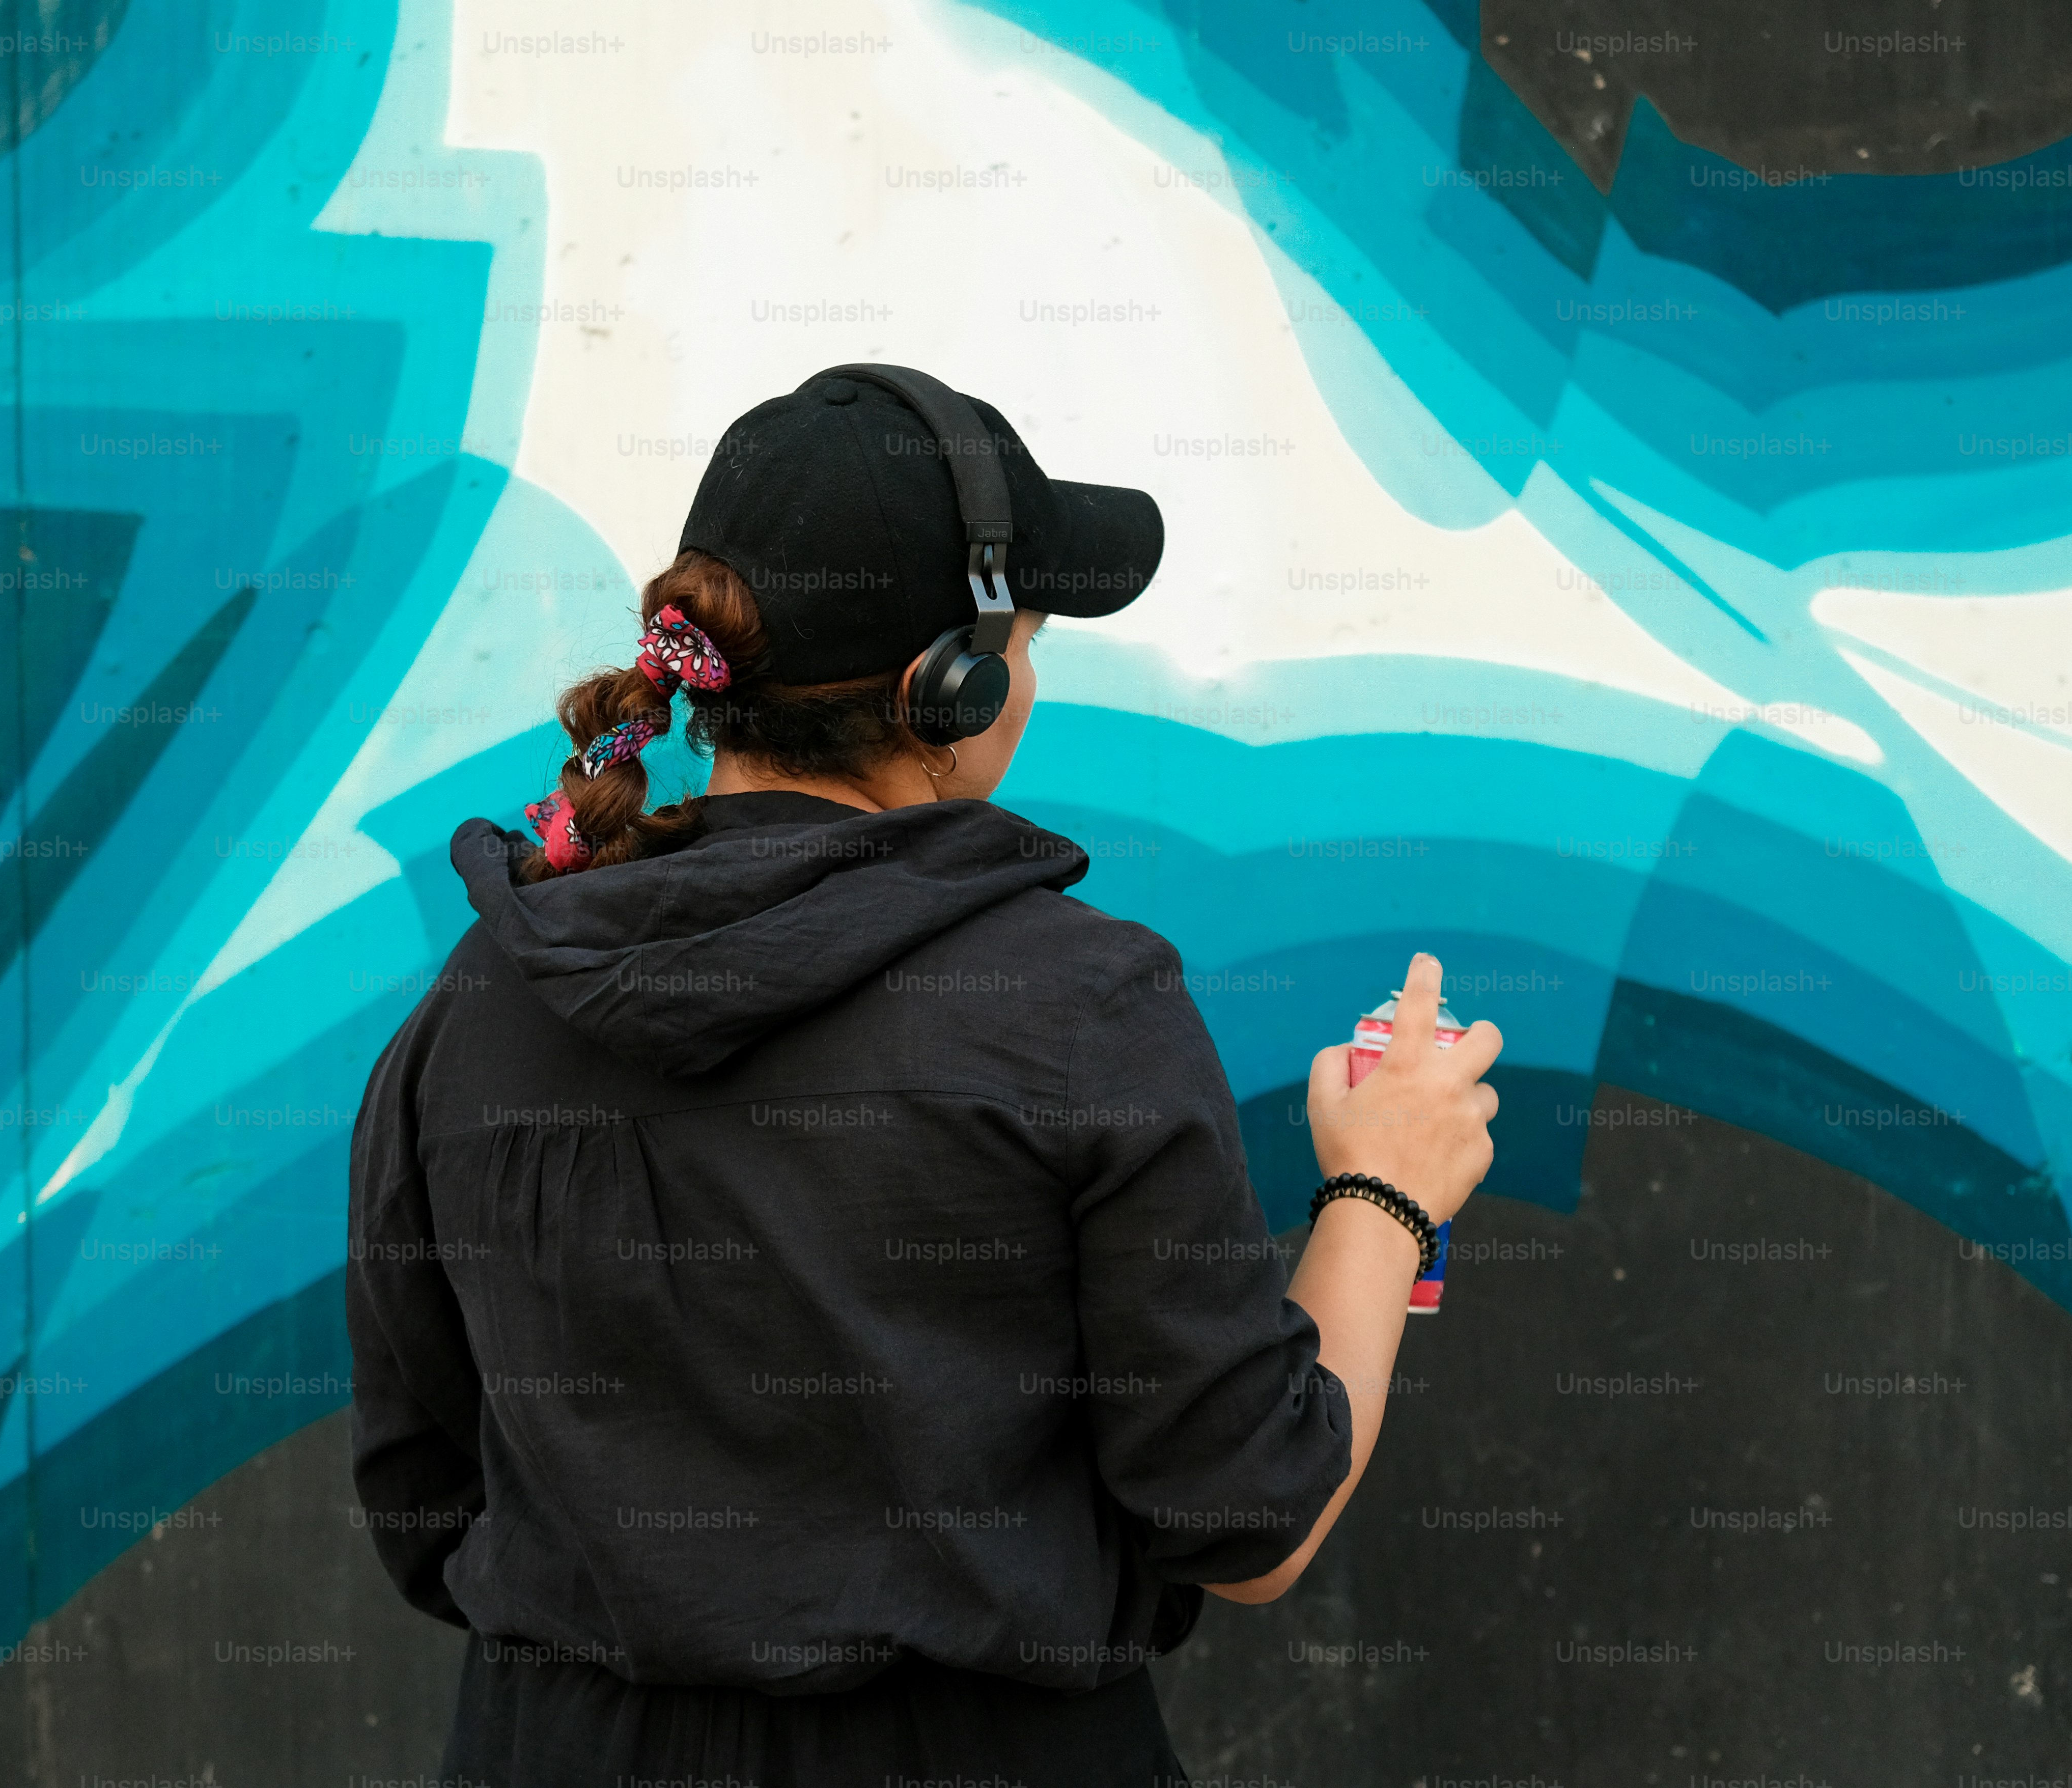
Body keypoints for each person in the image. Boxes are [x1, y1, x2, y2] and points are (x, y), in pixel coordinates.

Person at [345, 368, 1501, 1786]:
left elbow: (425, 1498)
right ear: (948, 686)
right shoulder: (1078, 1008)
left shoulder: (479, 1002)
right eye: (1028, 641)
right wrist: (1386, 1192)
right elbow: (1249, 1527)